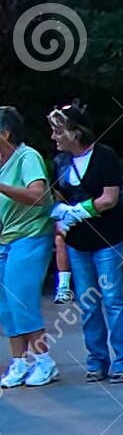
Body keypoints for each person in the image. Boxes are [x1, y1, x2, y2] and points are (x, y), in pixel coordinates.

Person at [49, 102, 123, 383]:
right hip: (78, 240)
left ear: (76, 132)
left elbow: (109, 198)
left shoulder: (104, 156)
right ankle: (97, 360)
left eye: (59, 131)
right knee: (87, 303)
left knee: (112, 298)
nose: (54, 137)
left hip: (107, 236)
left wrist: (80, 210)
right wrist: (61, 213)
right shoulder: (60, 162)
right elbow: (59, 196)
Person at [0, 106, 58, 388]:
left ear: (6, 133)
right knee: (5, 305)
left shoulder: (27, 157)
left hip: (31, 235)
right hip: (6, 240)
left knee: (21, 298)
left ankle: (44, 361)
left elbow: (37, 195)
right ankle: (19, 362)